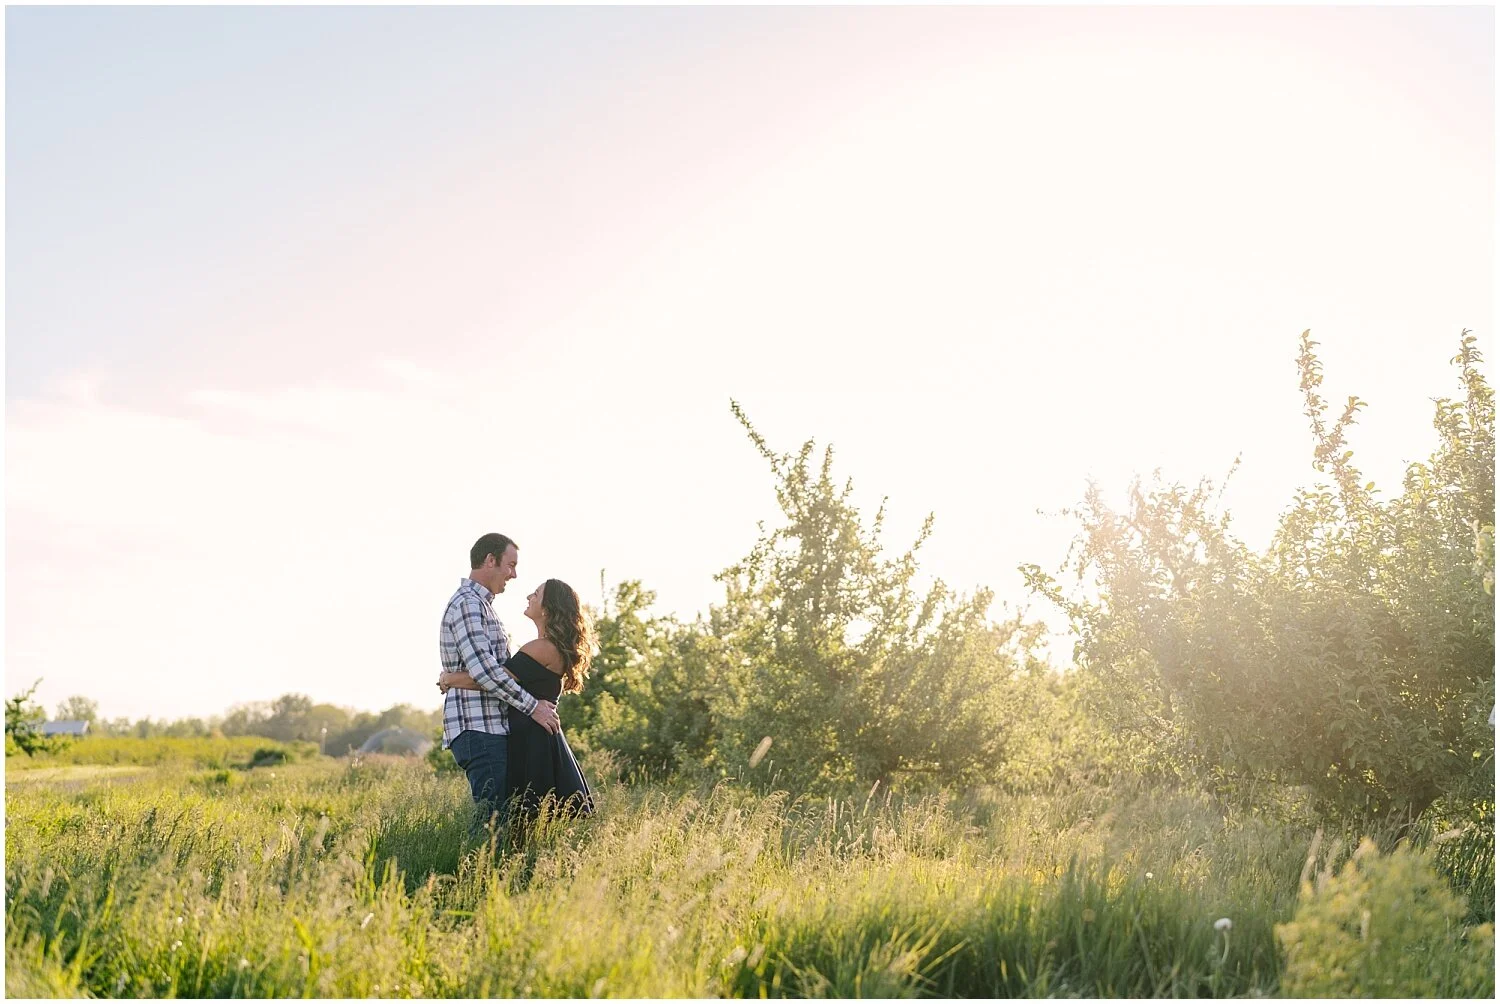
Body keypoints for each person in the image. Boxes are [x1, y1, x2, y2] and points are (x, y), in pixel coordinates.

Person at [439, 578, 594, 824]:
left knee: (515, 817)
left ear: (547, 609)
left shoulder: (541, 648)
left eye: (536, 594)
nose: (529, 597)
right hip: (535, 736)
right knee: (526, 819)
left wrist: (449, 678)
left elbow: (490, 679)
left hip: (531, 740)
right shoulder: (551, 648)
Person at [440, 533, 561, 835]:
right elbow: (486, 672)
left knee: (500, 820)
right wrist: (534, 708)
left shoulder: (482, 606)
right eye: (511, 565)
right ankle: (476, 866)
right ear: (490, 560)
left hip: (490, 725)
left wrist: (451, 678)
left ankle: (492, 865)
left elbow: (500, 671)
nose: (514, 575)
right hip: (478, 726)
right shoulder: (468, 604)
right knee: (491, 822)